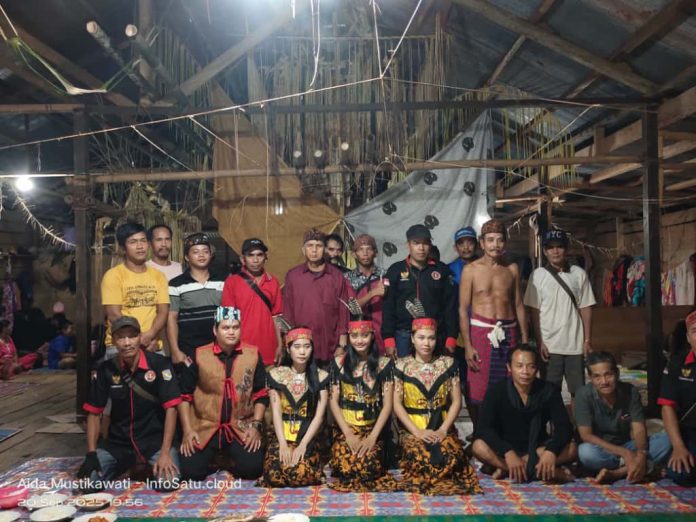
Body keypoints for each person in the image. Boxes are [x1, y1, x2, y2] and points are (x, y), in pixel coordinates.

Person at [78, 316, 182, 490]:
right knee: (88, 484)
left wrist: (165, 453)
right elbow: (94, 413)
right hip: (118, 442)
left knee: (168, 482)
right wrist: (91, 454)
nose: (127, 343)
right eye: (121, 337)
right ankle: (125, 466)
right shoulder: (105, 370)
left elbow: (172, 409)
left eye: (132, 336)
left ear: (140, 337)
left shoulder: (159, 365)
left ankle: (140, 467)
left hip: (154, 441)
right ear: (113, 341)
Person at [393, 311, 481, 495]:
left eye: (431, 338)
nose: (426, 343)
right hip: (413, 429)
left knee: (451, 454)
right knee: (421, 458)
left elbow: (456, 401)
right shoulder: (401, 366)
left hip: (442, 426)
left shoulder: (448, 364)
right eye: (421, 338)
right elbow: (397, 405)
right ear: (412, 338)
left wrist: (443, 430)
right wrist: (417, 432)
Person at [178, 306, 268, 480]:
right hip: (205, 427)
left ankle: (226, 459)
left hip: (240, 426)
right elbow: (184, 396)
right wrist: (187, 430)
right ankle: (218, 458)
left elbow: (261, 394)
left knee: (253, 469)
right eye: (225, 328)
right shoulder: (198, 355)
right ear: (215, 330)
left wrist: (256, 426)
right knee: (191, 472)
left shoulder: (253, 354)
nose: (231, 332)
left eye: (235, 327)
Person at [459, 219, 529, 427]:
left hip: (509, 332)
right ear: (482, 243)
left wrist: (525, 340)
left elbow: (518, 305)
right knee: (479, 388)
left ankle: (507, 432)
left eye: (499, 240)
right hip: (481, 334)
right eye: (490, 240)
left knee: (511, 384)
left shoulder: (512, 269)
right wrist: (468, 345)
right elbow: (462, 309)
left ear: (505, 243)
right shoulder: (471, 270)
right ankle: (482, 432)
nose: (495, 245)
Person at [472, 345, 576, 483]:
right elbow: (484, 428)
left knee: (572, 449)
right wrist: (507, 451)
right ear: (509, 367)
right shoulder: (497, 391)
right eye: (519, 366)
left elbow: (564, 428)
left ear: (536, 369)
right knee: (478, 446)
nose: (525, 372)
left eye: (530, 366)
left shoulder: (548, 391)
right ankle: (531, 470)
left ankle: (509, 468)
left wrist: (551, 451)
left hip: (537, 449)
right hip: (505, 449)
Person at [525, 229, 596, 411]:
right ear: (545, 251)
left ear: (567, 249)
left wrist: (587, 340)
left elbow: (586, 307)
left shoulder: (579, 274)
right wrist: (540, 341)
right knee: (549, 391)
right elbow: (534, 312)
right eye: (551, 247)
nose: (555, 251)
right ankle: (554, 425)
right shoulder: (538, 275)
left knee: (578, 392)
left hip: (575, 345)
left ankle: (578, 425)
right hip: (550, 345)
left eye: (559, 247)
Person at [329, 311, 399, 492]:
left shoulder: (384, 365)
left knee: (368, 467)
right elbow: (333, 402)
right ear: (349, 336)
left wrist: (372, 437)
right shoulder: (338, 363)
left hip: (373, 430)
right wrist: (348, 434)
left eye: (364, 335)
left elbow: (387, 406)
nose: (359, 340)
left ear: (372, 336)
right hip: (347, 429)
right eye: (354, 336)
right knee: (347, 467)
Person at [576, 351, 671, 483]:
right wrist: (625, 454)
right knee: (585, 453)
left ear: (617, 373)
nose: (604, 381)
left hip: (627, 445)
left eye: (608, 375)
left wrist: (641, 454)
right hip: (602, 449)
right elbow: (586, 435)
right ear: (591, 378)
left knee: (668, 440)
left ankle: (619, 472)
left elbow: (639, 429)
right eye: (597, 377)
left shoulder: (630, 392)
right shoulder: (584, 394)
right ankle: (642, 467)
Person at [258, 327, 329, 487]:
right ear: (288, 349)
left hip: (307, 436)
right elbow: (276, 412)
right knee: (275, 475)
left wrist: (303, 445)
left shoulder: (321, 376)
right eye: (297, 347)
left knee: (300, 474)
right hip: (282, 435)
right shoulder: (277, 375)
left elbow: (319, 417)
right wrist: (283, 444)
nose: (302, 352)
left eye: (307, 346)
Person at [382, 224, 458, 359]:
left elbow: (450, 307)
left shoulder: (441, 270)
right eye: (416, 243)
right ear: (408, 245)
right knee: (403, 371)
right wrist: (388, 338)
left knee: (436, 371)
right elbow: (388, 307)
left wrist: (452, 336)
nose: (421, 248)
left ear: (430, 245)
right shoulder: (395, 270)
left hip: (434, 335)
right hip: (404, 335)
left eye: (425, 243)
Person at [101, 223, 169, 358]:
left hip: (152, 344)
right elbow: (114, 315)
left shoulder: (159, 276)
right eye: (133, 242)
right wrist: (138, 340)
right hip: (120, 347)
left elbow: (163, 312)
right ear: (123, 248)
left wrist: (150, 335)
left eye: (143, 241)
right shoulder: (113, 276)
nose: (140, 246)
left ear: (148, 244)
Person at [283, 229, 349, 367]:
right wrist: (288, 341)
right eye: (310, 246)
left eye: (318, 246)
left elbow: (343, 312)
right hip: (301, 346)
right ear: (303, 250)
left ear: (324, 250)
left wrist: (342, 345)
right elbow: (288, 311)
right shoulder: (293, 276)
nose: (314, 250)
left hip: (329, 345)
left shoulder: (336, 276)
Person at [221, 238, 283, 366]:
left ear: (265, 257)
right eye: (251, 255)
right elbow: (228, 320)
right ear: (243, 259)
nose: (255, 260)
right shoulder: (232, 283)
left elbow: (277, 317)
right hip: (242, 350)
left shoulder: (273, 282)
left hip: (270, 350)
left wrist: (280, 345)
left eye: (259, 255)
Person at [167, 233, 224, 365]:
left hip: (219, 346)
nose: (201, 255)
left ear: (211, 255)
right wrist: (175, 351)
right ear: (187, 257)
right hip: (189, 348)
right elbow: (171, 318)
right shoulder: (176, 284)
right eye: (196, 252)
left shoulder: (223, 280)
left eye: (205, 251)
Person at [659, 309, 696, 486]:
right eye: (695, 331)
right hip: (690, 432)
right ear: (688, 338)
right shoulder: (677, 363)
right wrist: (678, 447)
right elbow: (667, 406)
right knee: (680, 473)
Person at [448, 226, 479, 422]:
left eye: (470, 242)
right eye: (461, 243)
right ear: (455, 247)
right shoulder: (449, 270)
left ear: (477, 244)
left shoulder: (486, 266)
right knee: (466, 381)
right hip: (460, 333)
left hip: (483, 330)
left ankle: (487, 428)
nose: (466, 247)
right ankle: (477, 428)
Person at [344, 234, 387, 355]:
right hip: (358, 335)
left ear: (375, 252)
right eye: (360, 250)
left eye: (369, 249)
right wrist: (373, 293)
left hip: (381, 332)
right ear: (354, 254)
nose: (365, 253)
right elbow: (352, 307)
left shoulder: (385, 275)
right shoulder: (348, 278)